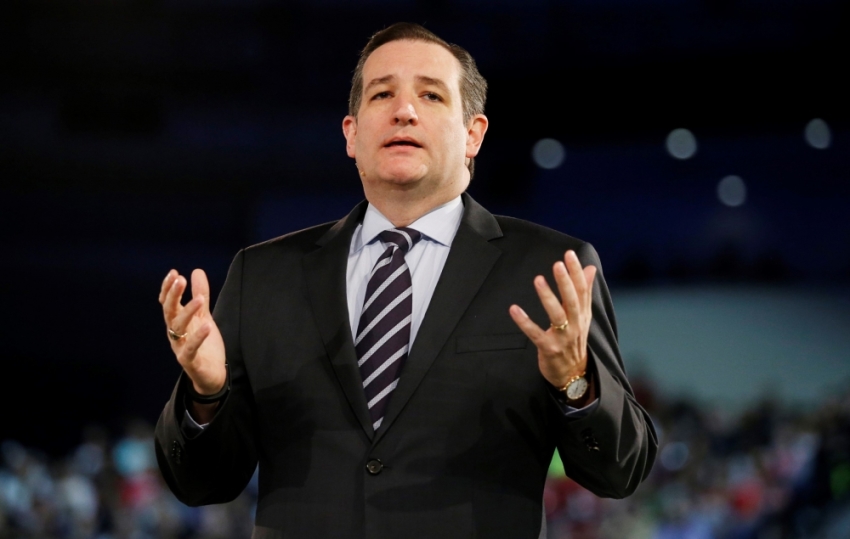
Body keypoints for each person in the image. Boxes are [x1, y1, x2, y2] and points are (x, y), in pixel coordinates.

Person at [154, 22, 657, 539]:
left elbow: (619, 471)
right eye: (382, 93)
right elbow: (201, 485)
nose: (404, 110)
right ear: (351, 133)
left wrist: (575, 381)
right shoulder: (264, 275)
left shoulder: (551, 269)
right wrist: (207, 393)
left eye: (431, 95)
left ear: (473, 135)